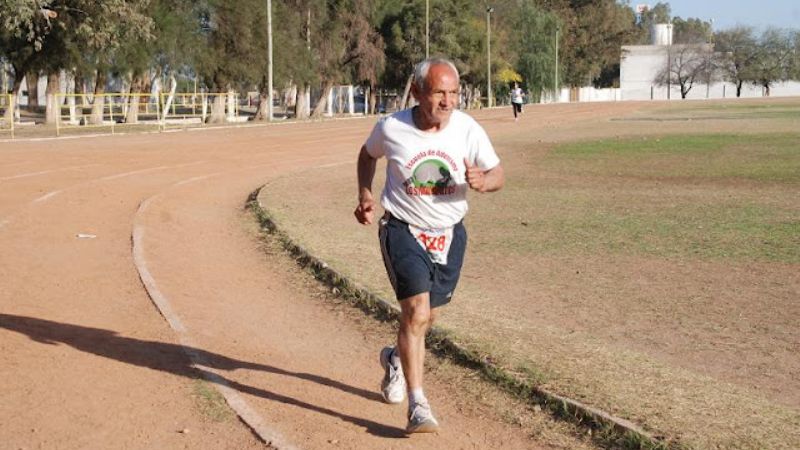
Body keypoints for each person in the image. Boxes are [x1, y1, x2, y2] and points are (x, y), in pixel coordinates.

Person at [354, 58, 505, 433]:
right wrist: (365, 194)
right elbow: (367, 155)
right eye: (439, 92)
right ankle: (418, 404)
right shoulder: (391, 128)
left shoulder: (467, 128)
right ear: (417, 91)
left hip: (450, 233)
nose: (448, 101)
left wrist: (484, 182)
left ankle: (394, 358)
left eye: (453, 92)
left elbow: (498, 172)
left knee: (426, 318)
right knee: (417, 313)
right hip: (402, 228)